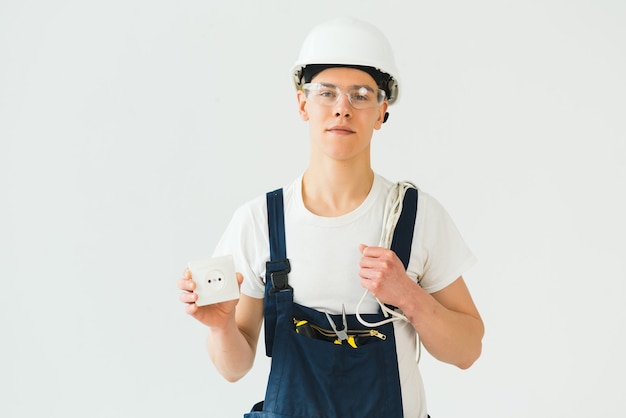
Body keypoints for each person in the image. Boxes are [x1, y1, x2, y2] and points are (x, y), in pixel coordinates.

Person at [177, 17, 484, 418]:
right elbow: (234, 368)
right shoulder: (260, 223)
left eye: (360, 95)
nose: (342, 109)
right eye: (327, 93)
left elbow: (467, 351)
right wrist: (220, 326)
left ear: (381, 111)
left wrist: (409, 296)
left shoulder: (415, 217)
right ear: (303, 104)